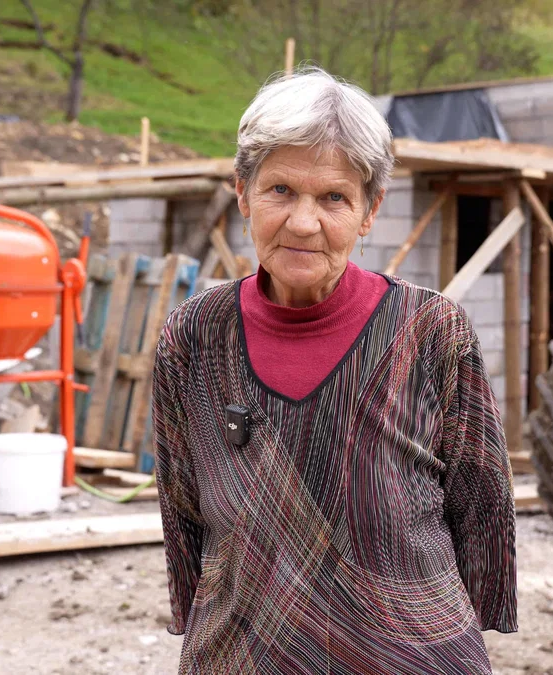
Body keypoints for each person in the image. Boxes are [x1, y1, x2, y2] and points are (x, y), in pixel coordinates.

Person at [152, 66, 518, 675]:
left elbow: (481, 499)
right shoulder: (193, 336)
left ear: (369, 210)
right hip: (245, 654)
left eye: (333, 198)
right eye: (280, 190)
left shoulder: (431, 330)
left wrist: (467, 624)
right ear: (242, 193)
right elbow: (182, 505)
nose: (303, 222)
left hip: (410, 658)